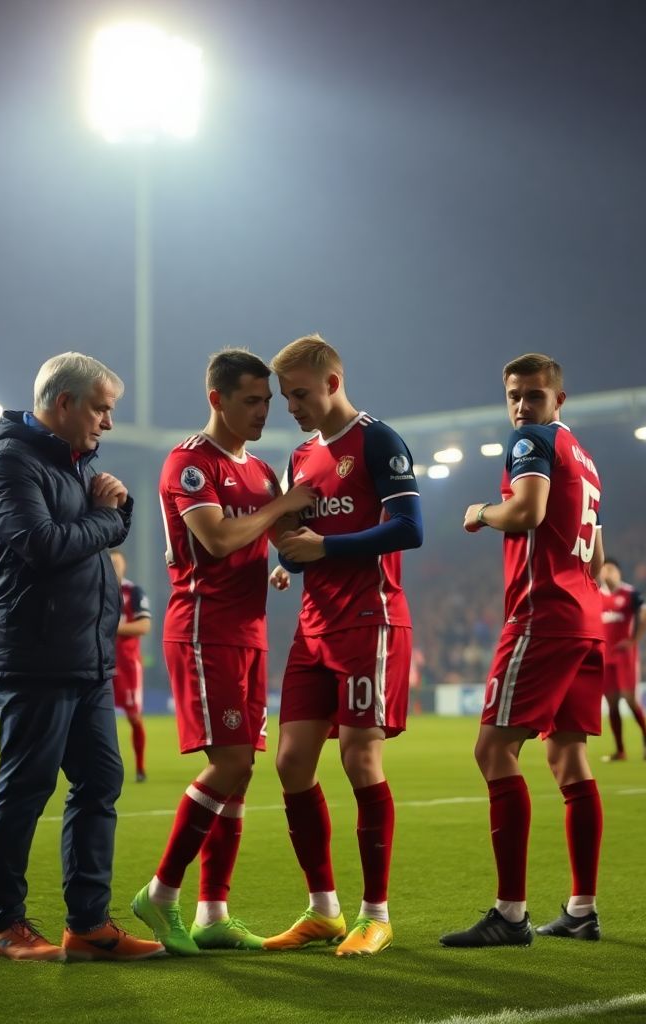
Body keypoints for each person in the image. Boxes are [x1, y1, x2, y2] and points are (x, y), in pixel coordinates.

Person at [0, 351, 164, 963]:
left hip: (85, 658)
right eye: (102, 409)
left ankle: (87, 924)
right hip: (35, 655)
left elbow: (93, 536)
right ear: (64, 403)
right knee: (27, 787)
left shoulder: (76, 464)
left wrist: (118, 513)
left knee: (100, 780)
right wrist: (110, 518)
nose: (108, 423)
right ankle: (2, 926)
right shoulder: (8, 463)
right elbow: (43, 545)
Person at [131, 348, 316, 956]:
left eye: (267, 400)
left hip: (250, 632)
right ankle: (160, 895)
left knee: (241, 774)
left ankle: (214, 913)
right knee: (231, 763)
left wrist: (286, 553)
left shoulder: (262, 473)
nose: (265, 411)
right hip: (204, 628)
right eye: (252, 400)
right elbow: (213, 540)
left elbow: (283, 537)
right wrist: (282, 510)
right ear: (217, 399)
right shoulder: (189, 462)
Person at [262, 334, 423, 958]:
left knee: (360, 759)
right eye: (284, 397)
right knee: (291, 763)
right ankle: (324, 910)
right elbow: (300, 534)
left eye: (300, 393)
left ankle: (375, 914)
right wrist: (291, 559)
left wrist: (322, 549)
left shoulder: (378, 440)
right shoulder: (300, 456)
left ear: (333, 381)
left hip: (370, 619)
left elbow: (410, 527)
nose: (293, 406)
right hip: (313, 625)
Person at [440, 352, 606, 949]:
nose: (522, 406)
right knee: (568, 759)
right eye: (514, 395)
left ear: (557, 400)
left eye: (534, 395)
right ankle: (582, 908)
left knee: (493, 750)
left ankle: (510, 915)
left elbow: (528, 510)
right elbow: (597, 553)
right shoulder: (584, 459)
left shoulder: (532, 442)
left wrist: (480, 514)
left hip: (543, 613)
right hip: (586, 615)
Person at [598, 558, 646, 762]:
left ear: (619, 573)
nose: (607, 573)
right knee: (612, 704)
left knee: (630, 700)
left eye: (611, 569)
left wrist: (634, 640)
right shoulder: (596, 596)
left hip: (624, 656)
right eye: (604, 569)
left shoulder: (630, 593)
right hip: (605, 656)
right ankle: (620, 750)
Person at [110, 550, 151, 782]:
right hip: (101, 661)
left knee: (134, 717)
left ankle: (140, 768)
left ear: (124, 566)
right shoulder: (96, 588)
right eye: (111, 562)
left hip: (127, 664)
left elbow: (144, 626)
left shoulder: (133, 592)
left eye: (118, 563)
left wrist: (110, 628)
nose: (114, 566)